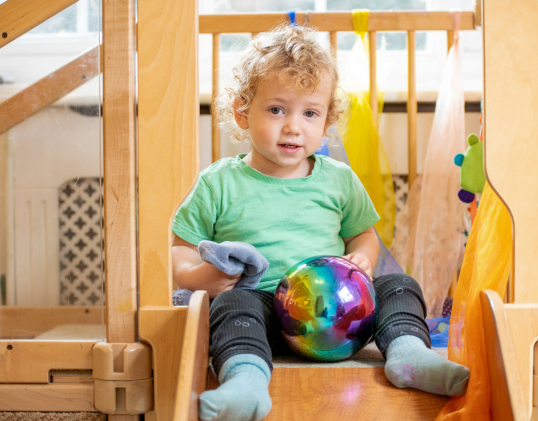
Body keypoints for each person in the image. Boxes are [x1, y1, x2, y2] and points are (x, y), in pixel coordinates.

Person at [171, 24, 469, 421]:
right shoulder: (219, 182)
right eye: (277, 109)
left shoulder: (338, 178)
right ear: (243, 112)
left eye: (310, 112)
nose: (294, 126)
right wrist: (200, 279)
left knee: (399, 284)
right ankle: (245, 378)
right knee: (231, 303)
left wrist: (362, 258)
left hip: (344, 316)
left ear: (327, 119)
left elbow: (362, 234)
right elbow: (180, 248)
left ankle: (408, 353)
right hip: (264, 311)